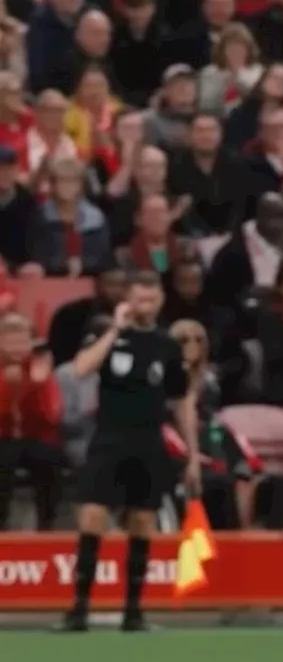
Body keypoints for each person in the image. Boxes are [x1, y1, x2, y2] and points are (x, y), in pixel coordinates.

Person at [58, 270, 200, 632]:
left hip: (148, 442)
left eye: (152, 300)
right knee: (91, 517)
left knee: (142, 523)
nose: (146, 305)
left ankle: (133, 612)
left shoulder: (167, 346)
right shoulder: (106, 334)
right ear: (128, 300)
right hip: (109, 439)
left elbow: (182, 400)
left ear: (161, 302)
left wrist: (193, 454)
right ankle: (79, 609)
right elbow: (81, 368)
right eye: (139, 299)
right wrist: (115, 330)